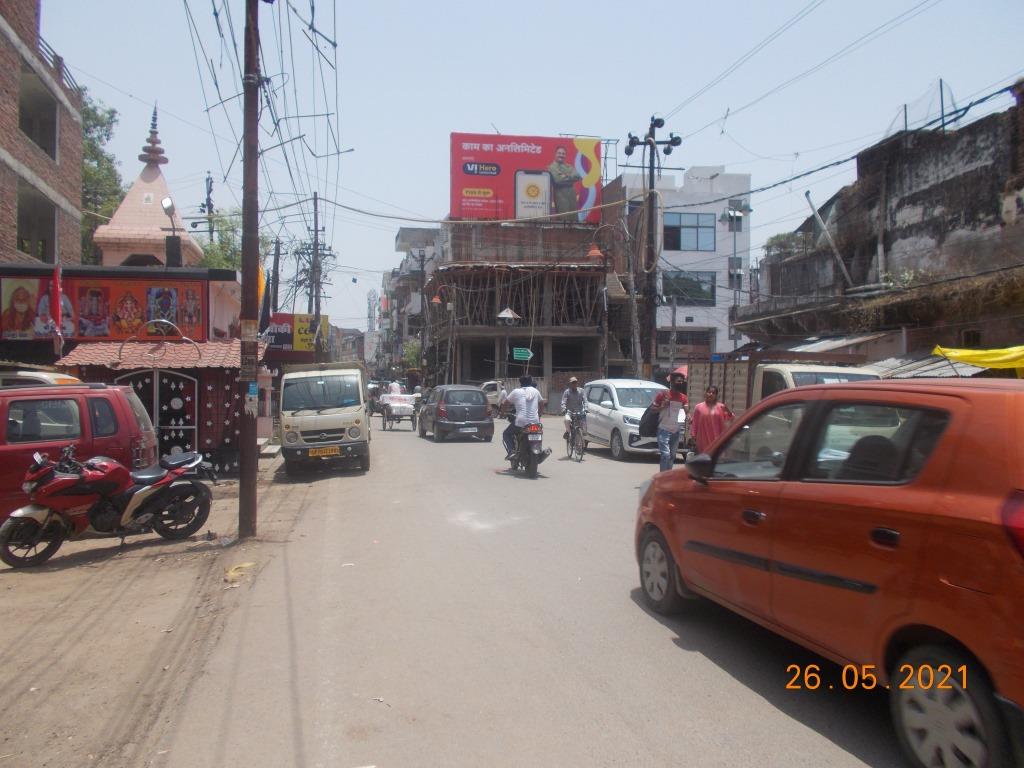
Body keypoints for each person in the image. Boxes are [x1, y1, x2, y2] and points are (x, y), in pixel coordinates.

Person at [651, 370, 689, 472]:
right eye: (678, 381)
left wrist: (688, 415)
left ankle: (667, 476)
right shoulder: (663, 395)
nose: (680, 383)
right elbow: (652, 410)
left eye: (682, 381)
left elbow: (686, 410)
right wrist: (662, 406)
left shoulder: (683, 397)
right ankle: (663, 478)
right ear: (672, 382)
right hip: (663, 429)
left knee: (672, 456)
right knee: (666, 455)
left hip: (675, 431)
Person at [501, 375, 545, 459]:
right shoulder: (535, 391)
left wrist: (503, 413)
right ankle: (539, 450)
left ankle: (511, 451)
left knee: (506, 433)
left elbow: (505, 403)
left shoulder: (516, 391)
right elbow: (542, 404)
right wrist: (539, 414)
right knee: (538, 433)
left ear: (520, 383)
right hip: (535, 422)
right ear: (531, 382)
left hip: (521, 422)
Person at [691, 385, 734, 454]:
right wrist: (693, 438)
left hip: (717, 439)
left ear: (716, 395)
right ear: (705, 393)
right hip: (702, 440)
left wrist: (728, 410)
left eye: (713, 393)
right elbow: (695, 423)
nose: (711, 394)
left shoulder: (721, 407)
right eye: (709, 392)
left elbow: (731, 418)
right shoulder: (698, 407)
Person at [547, 146, 582, 217]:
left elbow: (578, 177)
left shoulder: (569, 166)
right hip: (560, 197)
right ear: (555, 154)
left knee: (574, 219)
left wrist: (564, 176)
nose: (561, 155)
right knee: (563, 220)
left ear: (565, 155)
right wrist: (570, 178)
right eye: (559, 153)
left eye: (563, 153)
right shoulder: (551, 167)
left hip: (572, 196)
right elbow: (558, 180)